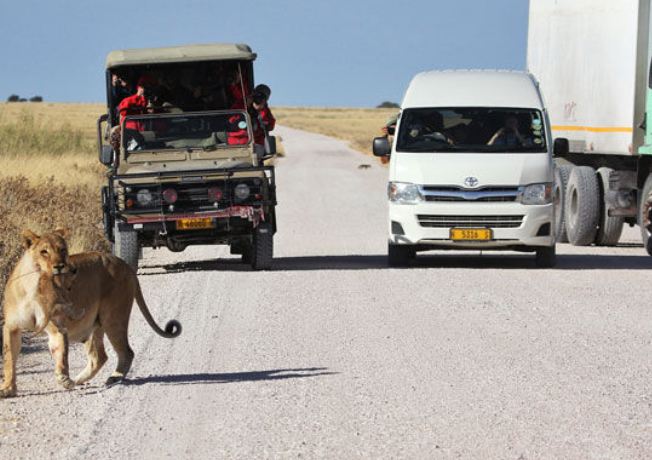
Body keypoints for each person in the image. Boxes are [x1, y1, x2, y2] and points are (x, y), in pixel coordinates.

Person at [227, 84, 276, 163]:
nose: (258, 99)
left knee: (256, 155)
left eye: (262, 97)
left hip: (255, 145)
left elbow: (270, 125)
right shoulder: (241, 103)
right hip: (236, 143)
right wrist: (245, 105)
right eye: (257, 95)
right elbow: (231, 119)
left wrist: (261, 110)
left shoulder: (264, 109)